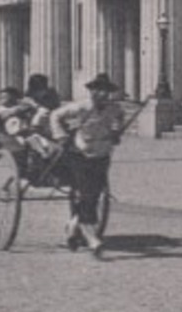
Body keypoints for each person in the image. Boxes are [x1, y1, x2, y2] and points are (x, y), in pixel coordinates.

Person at [48, 73, 127, 258]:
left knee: (95, 193)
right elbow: (55, 115)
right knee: (87, 193)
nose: (101, 94)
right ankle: (93, 240)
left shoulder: (113, 108)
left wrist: (116, 131)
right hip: (80, 154)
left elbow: (121, 117)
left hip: (102, 154)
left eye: (105, 91)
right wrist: (60, 137)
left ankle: (73, 225)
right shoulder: (81, 107)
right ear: (91, 91)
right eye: (97, 90)